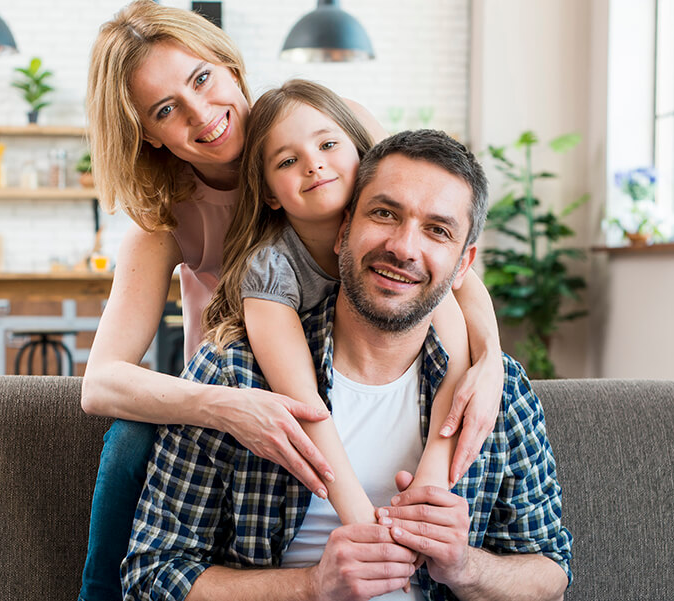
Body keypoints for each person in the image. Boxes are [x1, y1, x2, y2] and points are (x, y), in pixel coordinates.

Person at [79, 3, 504, 600]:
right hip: (252, 394)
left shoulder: (339, 129)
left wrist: (490, 361)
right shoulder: (166, 218)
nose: (201, 114)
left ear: (229, 67)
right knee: (131, 439)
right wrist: (224, 406)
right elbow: (100, 382)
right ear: (148, 132)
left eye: (202, 78)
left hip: (372, 364)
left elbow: (440, 255)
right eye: (167, 109)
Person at [123, 129, 573, 601]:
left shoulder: (496, 392)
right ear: (343, 232)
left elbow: (552, 573)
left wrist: (465, 567)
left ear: (463, 266)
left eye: (437, 230)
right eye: (384, 213)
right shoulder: (233, 374)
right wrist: (310, 586)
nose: (403, 247)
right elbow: (150, 576)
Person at [202, 79, 486, 526]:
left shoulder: (407, 245)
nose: (314, 166)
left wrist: (436, 463)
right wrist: (359, 517)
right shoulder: (270, 269)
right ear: (270, 192)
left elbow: (452, 333)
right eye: (289, 160)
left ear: (359, 153)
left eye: (329, 145)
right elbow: (304, 403)